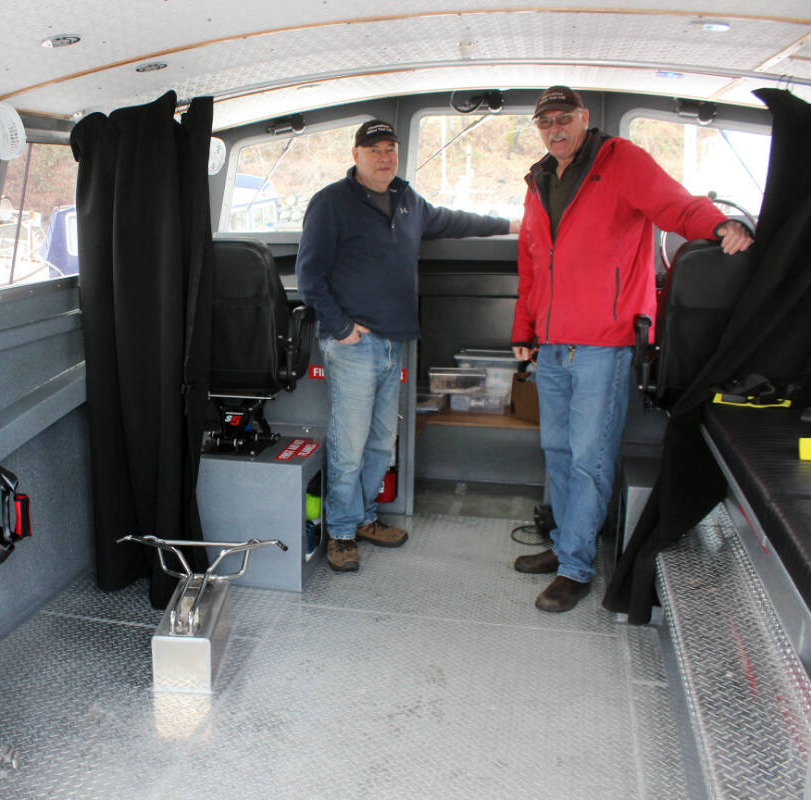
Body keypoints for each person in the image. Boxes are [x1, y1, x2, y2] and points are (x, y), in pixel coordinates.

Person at [511, 86, 754, 611]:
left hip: (605, 342)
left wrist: (720, 224)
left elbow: (676, 206)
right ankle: (565, 544)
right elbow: (531, 263)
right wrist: (522, 331)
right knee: (556, 452)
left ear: (583, 117)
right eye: (545, 121)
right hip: (550, 346)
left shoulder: (622, 162)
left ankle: (575, 568)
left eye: (564, 119)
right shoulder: (539, 180)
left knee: (588, 458)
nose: (555, 129)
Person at [297, 119, 520, 572]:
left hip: (393, 343)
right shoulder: (331, 203)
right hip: (354, 345)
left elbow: (454, 221)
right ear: (355, 154)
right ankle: (340, 532)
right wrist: (341, 329)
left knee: (382, 442)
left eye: (390, 149)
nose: (384, 157)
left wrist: (512, 221)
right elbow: (309, 275)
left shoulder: (408, 201)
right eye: (374, 149)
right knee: (350, 443)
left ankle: (364, 519)